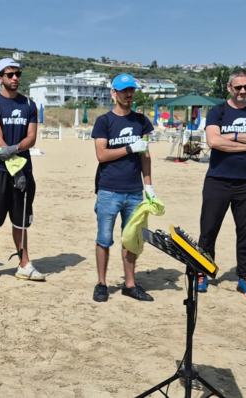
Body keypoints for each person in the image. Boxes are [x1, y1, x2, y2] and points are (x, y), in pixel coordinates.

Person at [198, 69, 246, 299]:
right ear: (229, 88)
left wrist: (233, 137)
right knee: (209, 229)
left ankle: (245, 277)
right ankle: (202, 270)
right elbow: (213, 141)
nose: (243, 91)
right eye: (238, 87)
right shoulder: (217, 111)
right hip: (218, 180)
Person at [0, 58, 45, 282]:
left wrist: (15, 153)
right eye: (9, 74)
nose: (15, 78)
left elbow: (31, 138)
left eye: (18, 74)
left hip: (24, 171)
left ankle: (24, 264)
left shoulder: (28, 105)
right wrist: (12, 160)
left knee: (21, 222)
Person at [90, 73, 156, 303]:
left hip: (134, 191)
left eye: (131, 90)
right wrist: (129, 148)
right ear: (113, 93)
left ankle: (130, 284)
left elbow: (145, 156)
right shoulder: (104, 121)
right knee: (104, 238)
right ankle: (101, 283)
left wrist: (149, 186)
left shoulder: (141, 121)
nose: (128, 95)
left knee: (132, 239)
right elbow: (101, 154)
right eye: (124, 90)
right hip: (109, 190)